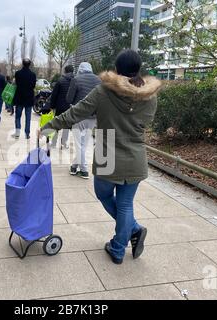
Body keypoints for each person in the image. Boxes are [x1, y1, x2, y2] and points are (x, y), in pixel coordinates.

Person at [39, 50, 163, 265]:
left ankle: (125, 237)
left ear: (117, 69)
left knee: (104, 195)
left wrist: (49, 127)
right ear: (138, 68)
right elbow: (145, 122)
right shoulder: (150, 97)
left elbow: (76, 113)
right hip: (136, 155)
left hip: (108, 151)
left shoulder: (103, 91)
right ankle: (124, 239)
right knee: (125, 204)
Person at [66, 62, 101, 179]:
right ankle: (74, 166)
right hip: (93, 117)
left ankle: (84, 170)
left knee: (78, 144)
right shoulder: (98, 80)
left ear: (80, 69)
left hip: (78, 116)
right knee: (83, 144)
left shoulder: (76, 80)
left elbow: (68, 99)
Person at [50, 65, 74, 149]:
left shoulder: (60, 81)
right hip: (69, 107)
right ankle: (64, 143)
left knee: (57, 124)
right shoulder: (74, 81)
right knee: (66, 126)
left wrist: (52, 106)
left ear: (65, 71)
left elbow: (54, 95)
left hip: (59, 107)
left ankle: (53, 143)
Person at [12, 58, 37, 139]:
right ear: (29, 64)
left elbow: (16, 84)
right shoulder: (33, 75)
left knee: (18, 116)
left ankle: (17, 133)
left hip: (19, 97)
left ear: (22, 64)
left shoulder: (18, 73)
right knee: (28, 117)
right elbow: (33, 86)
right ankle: (27, 133)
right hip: (29, 98)